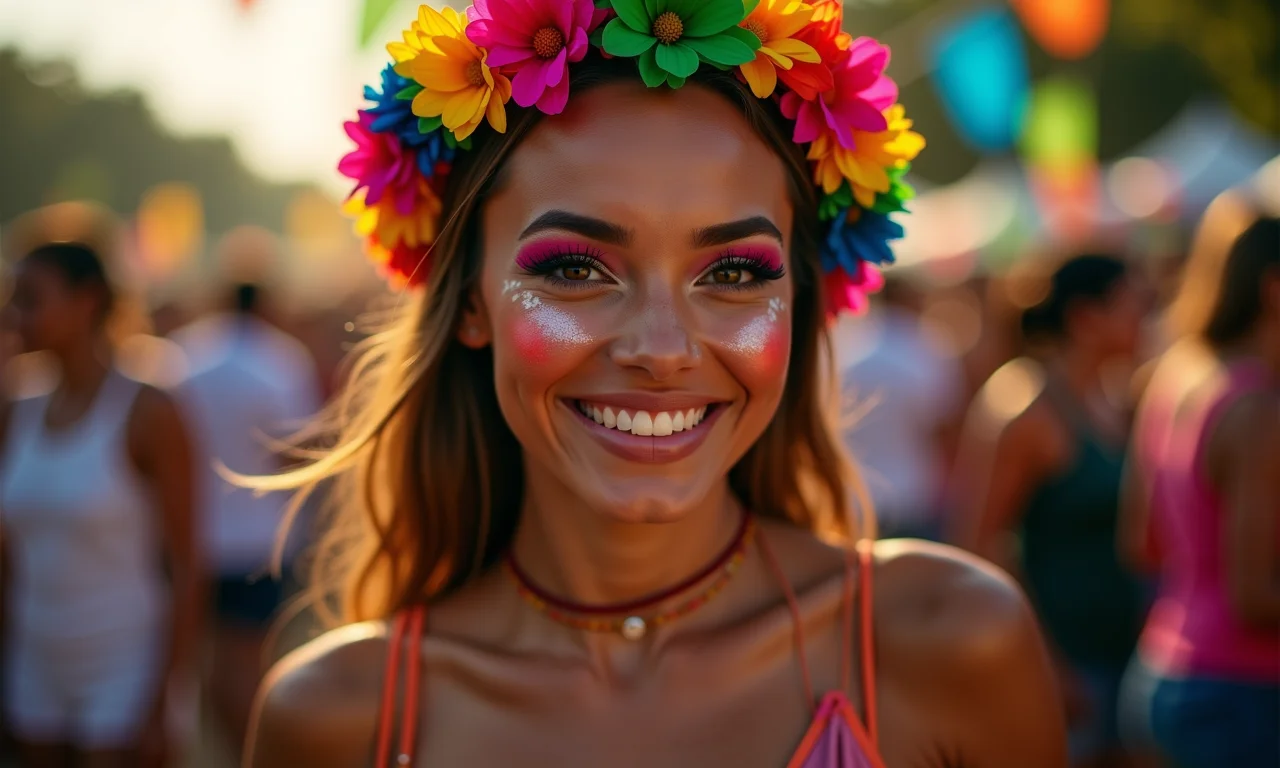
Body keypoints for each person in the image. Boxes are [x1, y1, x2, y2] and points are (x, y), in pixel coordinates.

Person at [247, 3, 1066, 766]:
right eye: (575, 268)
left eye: (737, 272)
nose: (663, 349)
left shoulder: (948, 640)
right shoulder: (335, 718)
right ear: (469, 302)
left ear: (799, 304)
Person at [0, 208, 203, 768]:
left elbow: (186, 564)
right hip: (34, 657)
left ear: (87, 300)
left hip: (123, 658)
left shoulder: (147, 410)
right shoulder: (15, 408)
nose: (14, 315)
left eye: (30, 298)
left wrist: (165, 699)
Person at [954, 253, 1152, 767]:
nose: (1146, 320)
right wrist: (1045, 664)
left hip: (1124, 650)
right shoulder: (1026, 405)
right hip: (1064, 662)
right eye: (1135, 305)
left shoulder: (1117, 396)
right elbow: (980, 546)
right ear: (1087, 318)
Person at [1119, 200, 1280, 767]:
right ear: (1272, 288)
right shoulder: (1259, 407)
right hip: (1241, 693)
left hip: (1161, 671)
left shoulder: (1177, 372)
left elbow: (1141, 545)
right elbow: (1254, 597)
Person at [169, 226, 322, 759]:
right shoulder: (280, 359)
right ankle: (248, 755)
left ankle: (221, 752)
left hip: (192, 537)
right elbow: (294, 451)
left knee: (201, 666)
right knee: (248, 667)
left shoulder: (183, 355)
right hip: (260, 537)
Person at [834, 276, 963, 541]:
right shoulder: (927, 351)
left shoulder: (847, 351)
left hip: (856, 501)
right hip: (914, 501)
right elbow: (947, 432)